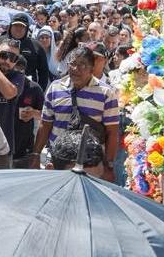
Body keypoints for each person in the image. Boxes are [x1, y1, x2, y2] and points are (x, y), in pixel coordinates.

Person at [31, 48, 121, 180]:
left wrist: (109, 165)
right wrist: (36, 155)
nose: (75, 68)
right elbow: (45, 125)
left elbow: (112, 133)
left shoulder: (106, 93)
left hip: (90, 165)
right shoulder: (55, 88)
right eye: (72, 63)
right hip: (58, 160)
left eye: (82, 64)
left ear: (91, 68)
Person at [0, 39, 44, 165]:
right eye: (4, 55)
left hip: (2, 150)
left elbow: (9, 93)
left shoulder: (17, 77)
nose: (8, 61)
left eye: (13, 58)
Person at [6, 13, 52, 91]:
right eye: (15, 25)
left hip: (28, 90)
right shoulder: (1, 43)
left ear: (27, 28)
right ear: (10, 27)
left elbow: (43, 72)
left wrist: (39, 91)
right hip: (3, 88)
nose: (18, 28)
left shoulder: (36, 46)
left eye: (21, 26)